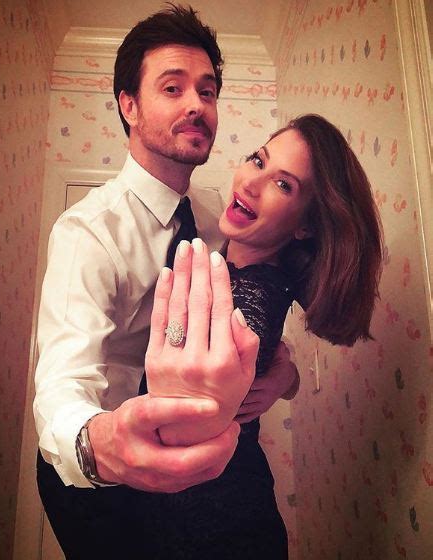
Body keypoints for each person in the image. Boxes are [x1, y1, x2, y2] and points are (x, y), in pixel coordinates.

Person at [33, 5, 298, 559]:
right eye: (172, 88)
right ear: (128, 105)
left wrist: (285, 374)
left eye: (207, 91)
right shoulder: (87, 232)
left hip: (187, 484)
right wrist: (101, 445)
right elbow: (61, 384)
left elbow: (245, 322)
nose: (196, 105)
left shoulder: (217, 218)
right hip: (99, 480)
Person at [135, 113, 383, 558]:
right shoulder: (234, 258)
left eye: (283, 185)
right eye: (258, 160)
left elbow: (177, 420)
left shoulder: (249, 296)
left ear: (304, 225)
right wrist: (286, 375)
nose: (251, 183)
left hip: (213, 526)